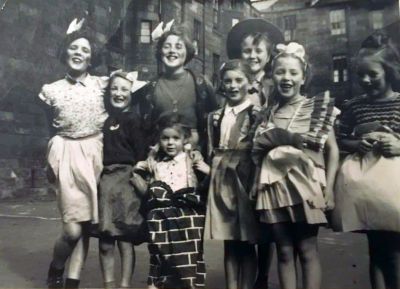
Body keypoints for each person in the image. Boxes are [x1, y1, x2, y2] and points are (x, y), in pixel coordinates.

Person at [251, 42, 339, 289]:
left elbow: (332, 150)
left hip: (306, 187)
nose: (286, 78)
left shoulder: (316, 108)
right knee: (284, 251)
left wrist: (329, 189)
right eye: (280, 72)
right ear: (272, 76)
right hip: (274, 188)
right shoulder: (267, 113)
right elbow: (259, 152)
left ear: (303, 77)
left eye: (293, 73)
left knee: (306, 249)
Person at [39, 18, 108, 288]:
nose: (79, 53)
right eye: (74, 48)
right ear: (65, 52)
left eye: (85, 50)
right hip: (66, 153)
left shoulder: (102, 85)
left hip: (95, 153)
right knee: (71, 229)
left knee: (87, 226)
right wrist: (51, 158)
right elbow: (49, 128)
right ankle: (57, 267)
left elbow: (136, 89)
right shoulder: (50, 90)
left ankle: (72, 282)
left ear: (91, 59)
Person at [332, 31, 400, 289]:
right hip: (368, 193)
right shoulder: (355, 106)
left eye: (373, 74)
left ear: (389, 70)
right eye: (361, 74)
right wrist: (356, 143)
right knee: (375, 250)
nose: (366, 80)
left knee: (394, 252)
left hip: (395, 191)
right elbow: (339, 139)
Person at [226, 19, 284, 288]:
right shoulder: (235, 84)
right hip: (241, 159)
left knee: (267, 220)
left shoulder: (273, 85)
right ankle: (244, 278)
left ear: (268, 54)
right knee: (244, 223)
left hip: (267, 158)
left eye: (258, 51)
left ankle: (262, 276)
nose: (252, 56)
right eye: (247, 51)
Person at [132, 113, 210, 289]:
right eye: (165, 138)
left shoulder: (191, 158)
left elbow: (205, 183)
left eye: (176, 138)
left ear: (185, 140)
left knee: (188, 258)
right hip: (162, 217)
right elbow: (147, 190)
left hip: (187, 217)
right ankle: (157, 283)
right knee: (160, 256)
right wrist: (139, 170)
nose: (170, 143)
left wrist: (205, 168)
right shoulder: (155, 162)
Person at [205, 59, 260, 289]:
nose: (233, 85)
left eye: (239, 80)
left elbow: (259, 149)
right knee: (228, 239)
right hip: (222, 180)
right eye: (228, 81)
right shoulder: (215, 116)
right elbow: (211, 148)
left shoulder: (256, 113)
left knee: (247, 240)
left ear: (250, 82)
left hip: (245, 177)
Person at [97, 70, 147, 289]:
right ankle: (109, 284)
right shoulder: (106, 120)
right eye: (114, 89)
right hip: (106, 180)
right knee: (106, 238)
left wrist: (138, 177)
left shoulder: (134, 120)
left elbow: (141, 153)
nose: (118, 93)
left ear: (131, 93)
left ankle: (125, 285)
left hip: (126, 181)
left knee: (125, 237)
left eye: (124, 89)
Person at [136, 23, 217, 153]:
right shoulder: (150, 88)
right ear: (160, 51)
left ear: (187, 51)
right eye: (167, 46)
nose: (172, 51)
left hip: (194, 156)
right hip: (160, 156)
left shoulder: (201, 84)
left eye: (178, 47)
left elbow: (214, 120)